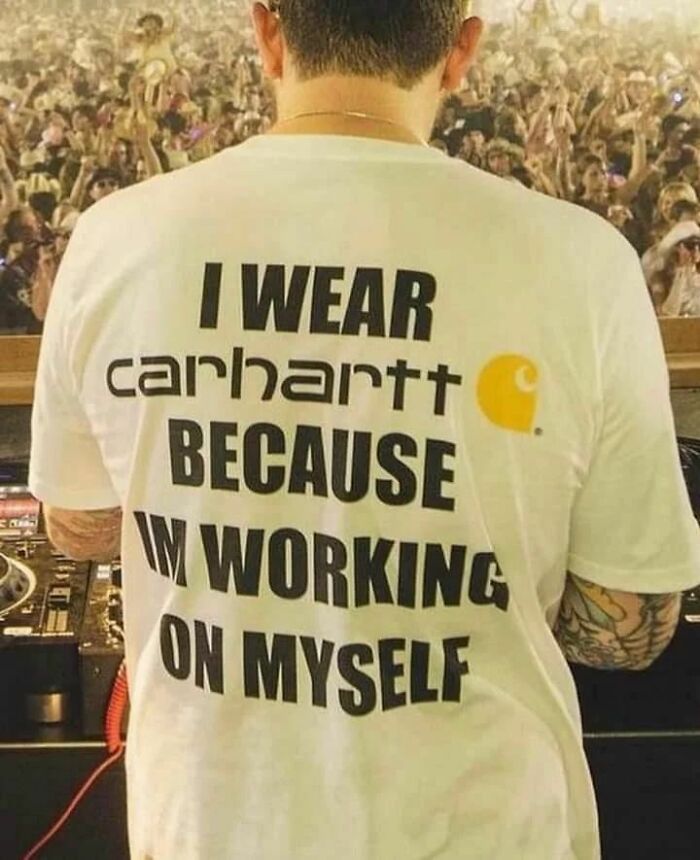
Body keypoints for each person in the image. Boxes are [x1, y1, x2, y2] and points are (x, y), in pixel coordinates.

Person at [28, 3, 700, 860]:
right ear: (461, 51)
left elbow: (79, 526)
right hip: (488, 832)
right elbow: (630, 622)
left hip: (210, 825)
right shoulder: (584, 261)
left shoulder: (113, 239)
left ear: (268, 33)